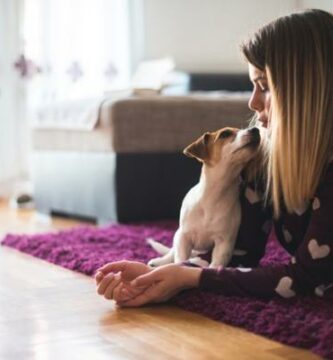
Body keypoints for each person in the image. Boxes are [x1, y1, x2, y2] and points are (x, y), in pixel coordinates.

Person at [95, 9, 333, 306]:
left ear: (305, 91)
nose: (252, 101)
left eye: (265, 86)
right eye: (252, 86)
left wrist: (190, 278)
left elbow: (307, 279)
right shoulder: (261, 162)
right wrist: (167, 274)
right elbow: (239, 254)